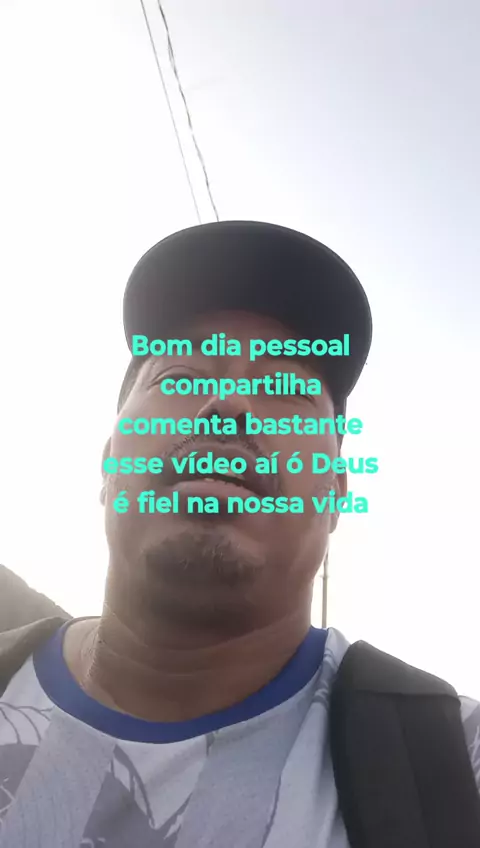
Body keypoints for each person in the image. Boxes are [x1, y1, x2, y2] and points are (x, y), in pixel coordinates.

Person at [0, 221, 479, 848]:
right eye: (179, 377)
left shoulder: (454, 765)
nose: (226, 406)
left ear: (335, 491)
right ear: (109, 462)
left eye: (284, 389)